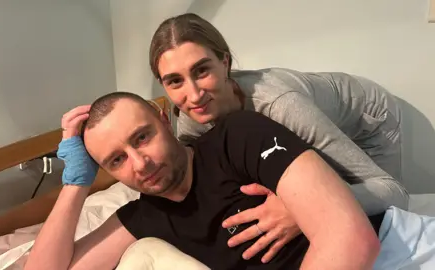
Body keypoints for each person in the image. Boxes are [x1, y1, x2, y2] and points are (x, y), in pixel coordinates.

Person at [25, 92, 435, 270]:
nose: (140, 163)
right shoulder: (143, 217)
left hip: (403, 253)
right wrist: (76, 182)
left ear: (163, 118)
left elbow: (353, 240)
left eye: (142, 137)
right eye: (116, 160)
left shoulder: (237, 137)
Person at [148, 12, 409, 259]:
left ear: (224, 62)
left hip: (368, 119)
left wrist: (302, 209)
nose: (193, 95)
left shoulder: (280, 106)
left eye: (202, 71)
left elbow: (393, 192)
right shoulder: (193, 119)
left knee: (387, 220)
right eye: (175, 81)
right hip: (310, 108)